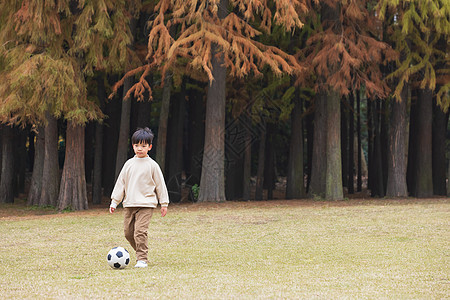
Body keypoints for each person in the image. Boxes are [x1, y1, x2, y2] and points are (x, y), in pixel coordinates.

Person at [109, 127, 169, 268]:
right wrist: (114, 201)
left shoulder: (153, 165)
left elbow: (160, 185)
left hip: (146, 205)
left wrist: (164, 203)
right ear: (133, 146)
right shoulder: (128, 164)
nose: (139, 148)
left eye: (143, 146)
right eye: (137, 145)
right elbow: (121, 183)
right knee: (128, 233)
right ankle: (141, 251)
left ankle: (142, 258)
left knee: (140, 232)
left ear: (150, 147)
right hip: (129, 204)